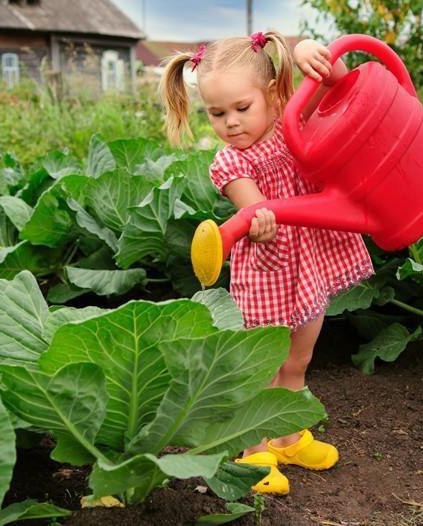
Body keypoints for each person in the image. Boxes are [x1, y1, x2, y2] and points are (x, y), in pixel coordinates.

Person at [160, 31, 375, 495]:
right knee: (263, 364)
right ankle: (254, 450)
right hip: (270, 272)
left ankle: (288, 437)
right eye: (217, 114)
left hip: (309, 262)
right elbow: (258, 209)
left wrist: (309, 56)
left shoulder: (291, 118)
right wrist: (259, 219)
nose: (231, 123)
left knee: (298, 360)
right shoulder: (228, 162)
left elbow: (339, 84)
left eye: (242, 108)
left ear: (273, 93)